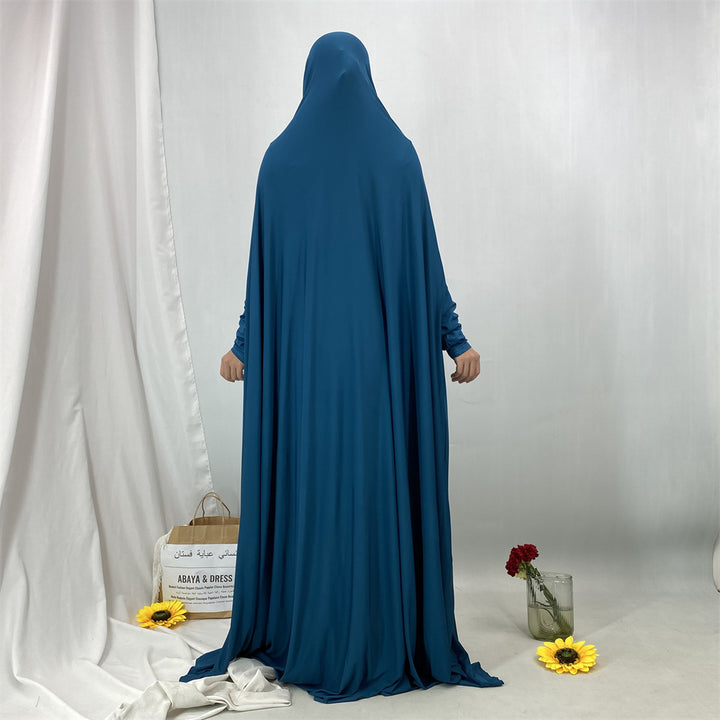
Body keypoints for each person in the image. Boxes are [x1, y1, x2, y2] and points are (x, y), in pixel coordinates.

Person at [181, 31, 503, 703]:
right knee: (375, 490)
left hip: (305, 379)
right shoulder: (398, 156)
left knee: (313, 490)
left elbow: (264, 277)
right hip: (380, 376)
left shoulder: (281, 161)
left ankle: (313, 629)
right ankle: (384, 634)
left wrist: (244, 345)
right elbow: (424, 267)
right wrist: (455, 340)